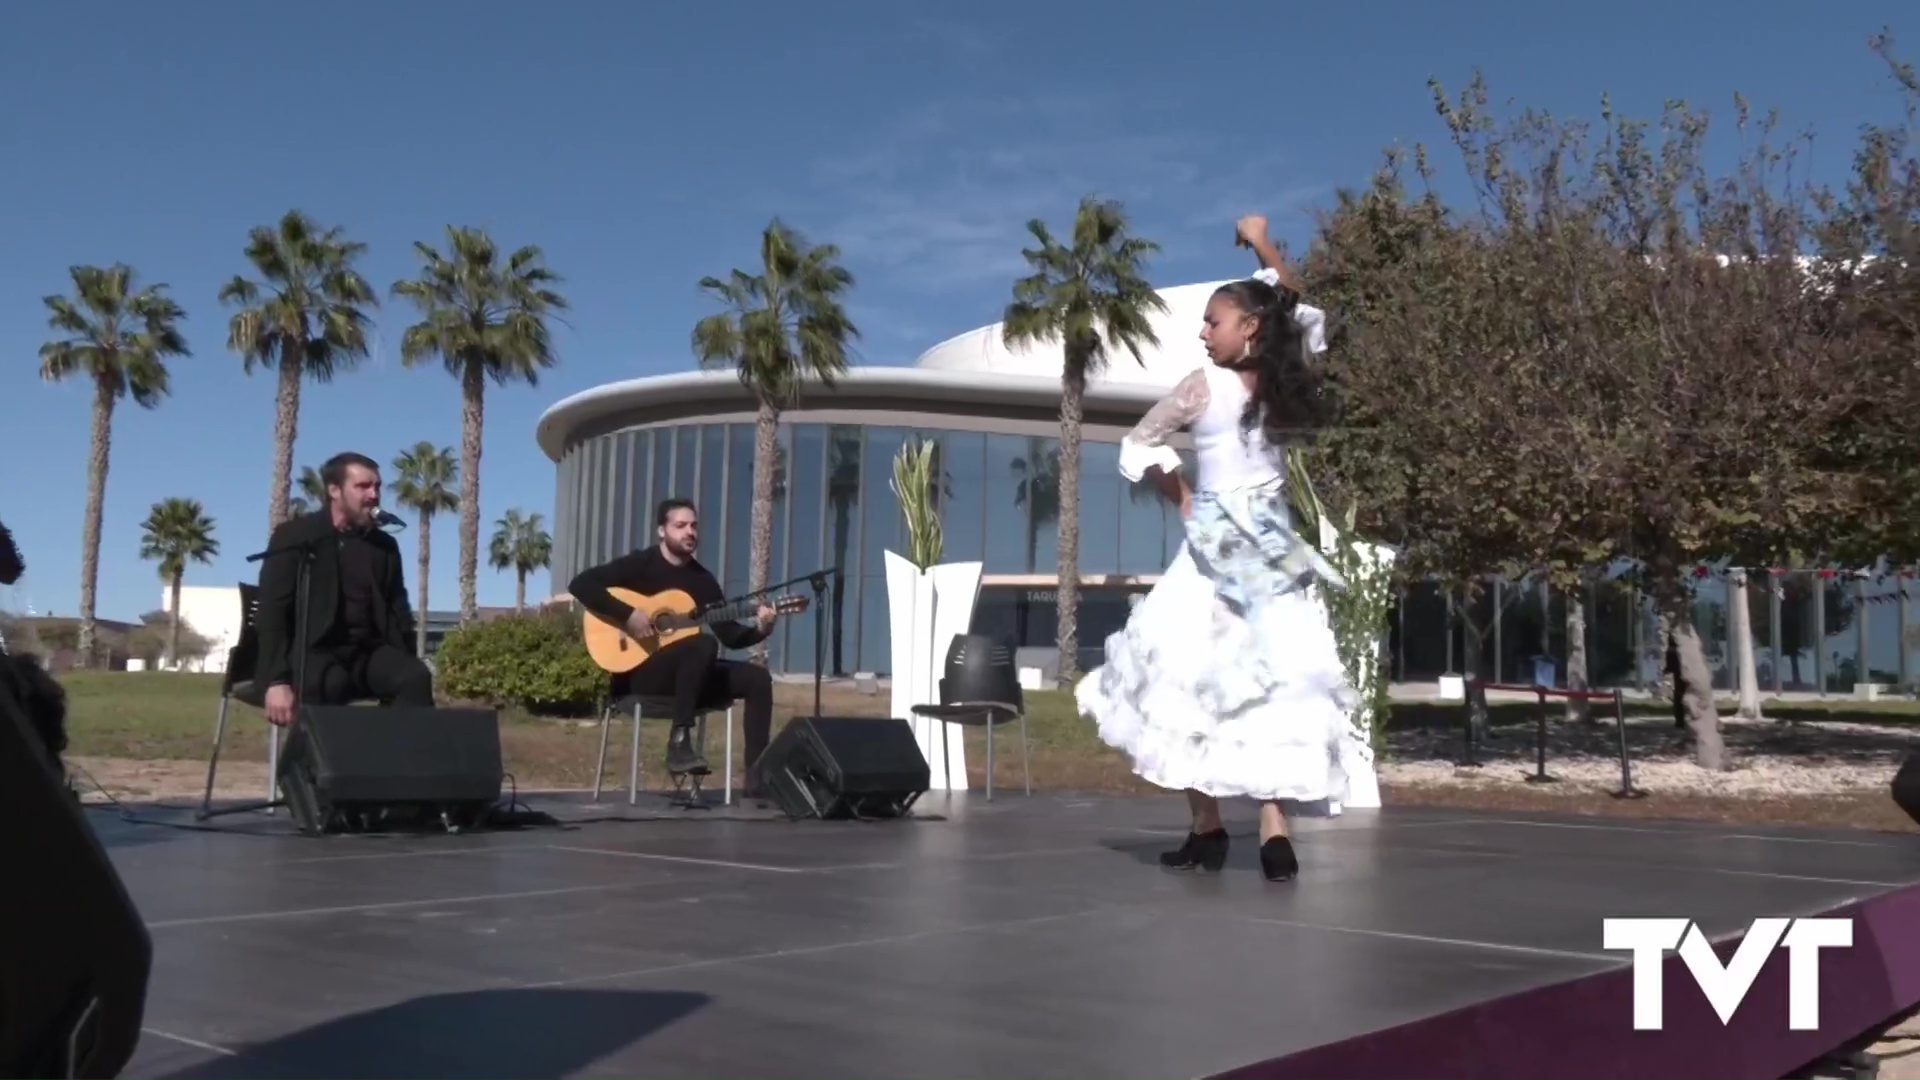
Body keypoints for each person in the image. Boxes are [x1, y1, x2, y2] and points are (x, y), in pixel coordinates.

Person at [1077, 214, 1355, 884]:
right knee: (1268, 681)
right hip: (1270, 549)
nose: (1202, 333)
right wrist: (1261, 243)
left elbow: (1140, 441)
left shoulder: (1203, 387)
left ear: (1247, 328)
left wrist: (1182, 497)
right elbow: (1288, 298)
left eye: (1212, 322)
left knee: (1183, 679)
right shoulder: (1286, 375)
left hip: (1216, 557)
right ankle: (1264, 826)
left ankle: (1211, 826)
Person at [568, 498, 780, 780]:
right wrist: (628, 614)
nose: (689, 532)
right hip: (638, 673)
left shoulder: (702, 580)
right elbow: (581, 584)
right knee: (702, 644)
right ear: (662, 530)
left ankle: (758, 778)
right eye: (680, 525)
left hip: (689, 676)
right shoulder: (641, 564)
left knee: (757, 679)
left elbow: (729, 634)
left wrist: (761, 629)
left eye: (693, 526)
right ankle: (679, 742)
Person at [256, 452, 436, 727]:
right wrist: (276, 680)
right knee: (329, 683)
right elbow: (272, 610)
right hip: (310, 651)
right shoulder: (297, 536)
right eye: (363, 486)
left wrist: (406, 658)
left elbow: (398, 610)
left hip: (367, 652)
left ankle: (403, 765)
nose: (374, 494)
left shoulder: (384, 546)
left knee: (414, 677)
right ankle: (309, 770)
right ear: (334, 490)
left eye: (376, 486)